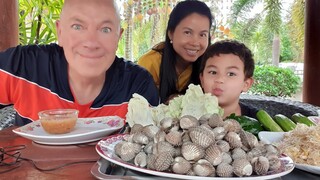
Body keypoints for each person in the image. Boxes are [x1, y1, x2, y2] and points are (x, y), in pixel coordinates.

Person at [0, 0, 159, 126]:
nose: (91, 43)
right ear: (60, 32)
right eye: (78, 27)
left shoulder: (137, 87)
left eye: (105, 29)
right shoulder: (23, 65)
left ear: (119, 36)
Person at [138, 0, 214, 104]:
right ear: (171, 33)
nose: (195, 42)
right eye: (187, 32)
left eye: (202, 35)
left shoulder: (210, 65)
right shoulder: (150, 63)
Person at [199, 39, 257, 118]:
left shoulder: (259, 123)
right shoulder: (183, 117)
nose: (219, 79)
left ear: (246, 84)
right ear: (202, 80)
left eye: (231, 74)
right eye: (213, 72)